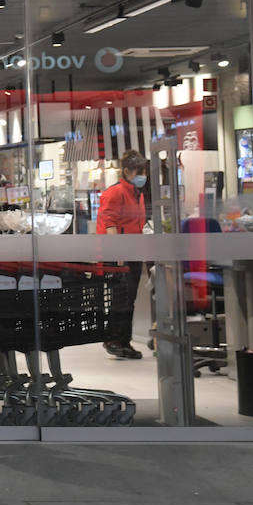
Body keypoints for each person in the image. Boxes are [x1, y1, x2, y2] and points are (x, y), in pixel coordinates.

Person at [96, 150, 149, 360]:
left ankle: (123, 341)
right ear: (127, 170)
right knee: (121, 299)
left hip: (132, 252)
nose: (142, 174)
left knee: (129, 298)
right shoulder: (115, 192)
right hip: (118, 254)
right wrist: (117, 251)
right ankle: (114, 340)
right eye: (139, 170)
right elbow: (109, 222)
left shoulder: (138, 194)